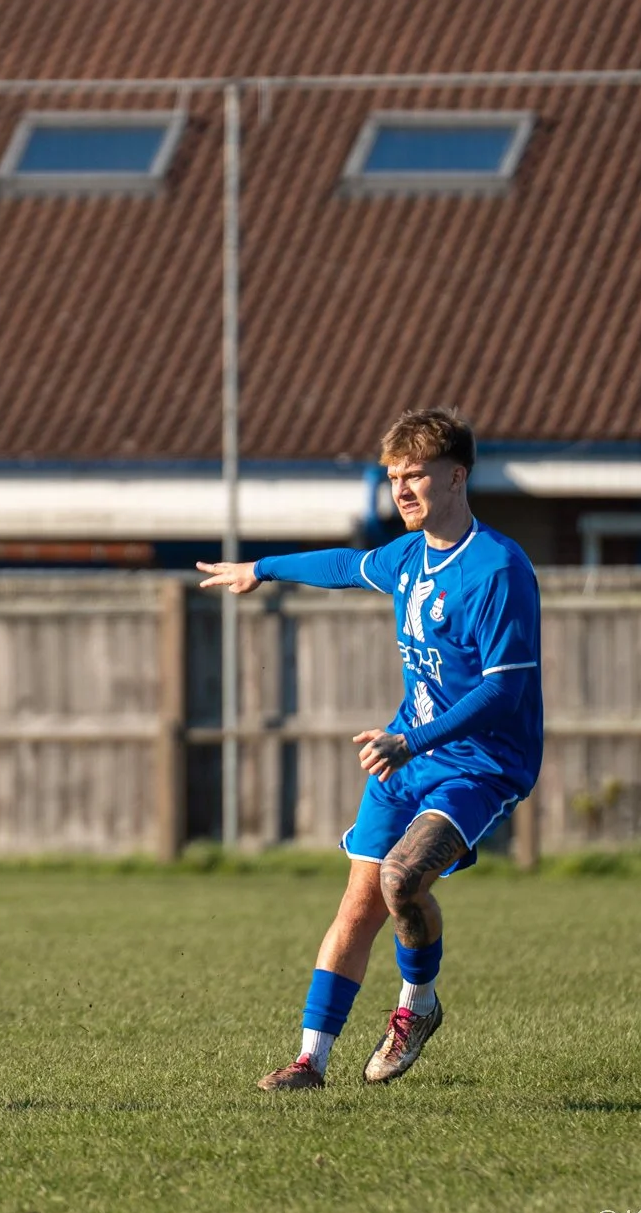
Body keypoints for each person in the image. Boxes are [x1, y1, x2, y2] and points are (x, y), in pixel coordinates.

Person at [197, 408, 542, 1090]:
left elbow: (504, 692)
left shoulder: (498, 568)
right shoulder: (407, 558)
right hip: (406, 753)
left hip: (479, 762)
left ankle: (418, 1004)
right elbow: (344, 564)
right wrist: (260, 568)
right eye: (392, 477)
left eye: (415, 475)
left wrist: (409, 739)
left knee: (402, 880)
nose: (402, 489)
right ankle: (310, 1061)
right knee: (360, 902)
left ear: (456, 475)